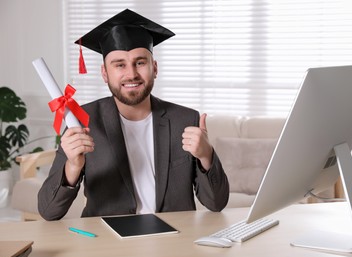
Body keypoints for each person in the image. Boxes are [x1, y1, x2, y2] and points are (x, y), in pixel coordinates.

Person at [38, 9, 230, 220]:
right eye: (119, 65)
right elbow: (48, 211)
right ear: (104, 73)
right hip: (110, 243)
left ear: (154, 68)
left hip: (173, 240)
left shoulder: (185, 120)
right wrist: (73, 166)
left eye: (140, 63)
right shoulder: (82, 122)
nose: (131, 74)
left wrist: (205, 155)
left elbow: (217, 203)